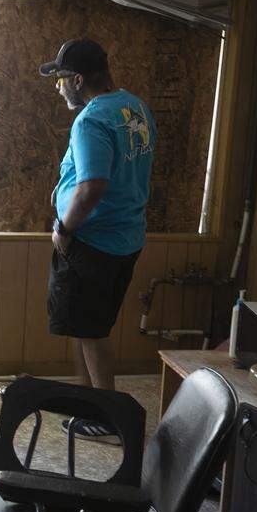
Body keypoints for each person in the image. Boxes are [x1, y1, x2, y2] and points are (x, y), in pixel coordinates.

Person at [41, 38, 155, 444]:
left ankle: (107, 415)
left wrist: (65, 231)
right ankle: (89, 405)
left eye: (60, 80)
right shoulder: (134, 107)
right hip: (126, 237)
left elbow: (92, 186)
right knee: (87, 325)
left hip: (92, 241)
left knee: (90, 331)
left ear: (78, 79)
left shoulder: (91, 120)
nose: (58, 88)